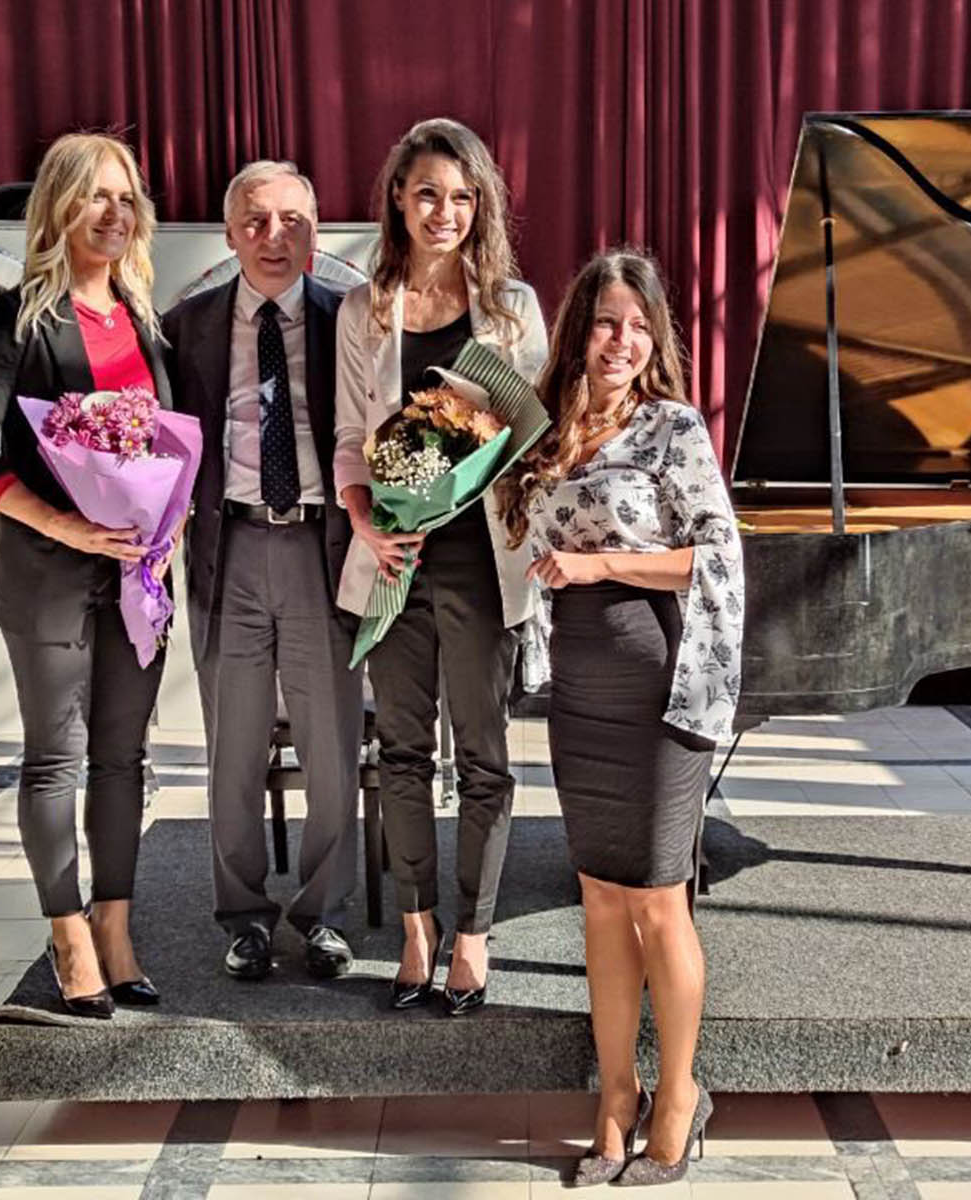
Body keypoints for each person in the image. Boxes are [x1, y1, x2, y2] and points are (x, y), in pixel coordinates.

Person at [498, 250, 744, 1184]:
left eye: (640, 326)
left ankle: (679, 1096)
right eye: (607, 321)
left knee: (657, 896)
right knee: (600, 894)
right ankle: (614, 1096)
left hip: (658, 678)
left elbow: (716, 555)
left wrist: (601, 564)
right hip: (580, 685)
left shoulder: (672, 427)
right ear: (578, 330)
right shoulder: (548, 431)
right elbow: (515, 531)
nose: (623, 341)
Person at [0, 132, 172, 1019]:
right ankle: (68, 934)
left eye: (125, 197)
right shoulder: (21, 316)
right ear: (59, 207)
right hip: (46, 572)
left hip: (135, 578)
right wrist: (64, 524)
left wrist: (168, 525)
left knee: (124, 759)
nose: (114, 213)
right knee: (55, 760)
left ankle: (115, 928)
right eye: (95, 195)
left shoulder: (142, 317)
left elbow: (165, 445)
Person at [334, 117, 548, 1016]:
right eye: (427, 193)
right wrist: (367, 524)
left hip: (483, 565)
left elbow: (530, 441)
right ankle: (416, 928)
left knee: (486, 758)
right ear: (398, 198)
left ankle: (473, 934)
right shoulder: (362, 309)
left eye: (462, 197)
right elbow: (350, 440)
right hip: (395, 559)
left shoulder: (512, 310)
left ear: (481, 206)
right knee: (403, 751)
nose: (444, 212)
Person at [161, 161, 360, 982]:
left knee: (331, 749)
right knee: (233, 751)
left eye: (292, 221)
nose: (274, 237)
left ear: (316, 231)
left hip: (323, 551)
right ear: (229, 233)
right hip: (230, 550)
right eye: (256, 221)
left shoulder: (350, 318)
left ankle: (321, 916)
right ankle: (242, 917)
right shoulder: (186, 326)